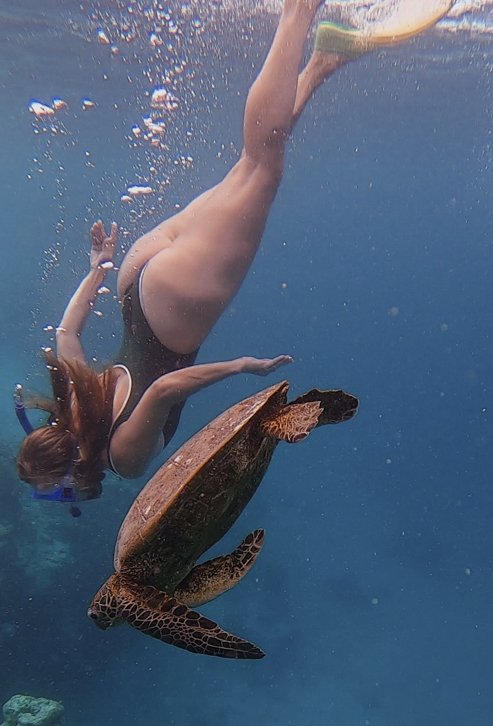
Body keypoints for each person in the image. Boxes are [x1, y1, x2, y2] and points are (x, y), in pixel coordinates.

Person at [16, 0, 448, 510]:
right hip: (134, 283)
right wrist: (96, 271)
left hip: (179, 303)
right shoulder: (70, 400)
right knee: (249, 166)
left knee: (262, 167)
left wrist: (241, 366)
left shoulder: (122, 460)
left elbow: (162, 390)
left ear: (73, 471)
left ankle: (297, 13)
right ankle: (323, 61)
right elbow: (68, 332)